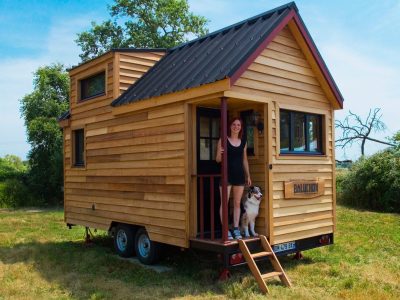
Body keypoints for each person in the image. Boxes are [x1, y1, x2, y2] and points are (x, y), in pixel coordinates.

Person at [216, 117, 251, 240]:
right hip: (226, 176)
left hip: (239, 175)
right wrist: (220, 153)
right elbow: (217, 160)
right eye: (234, 124)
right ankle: (226, 230)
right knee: (224, 203)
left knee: (237, 203)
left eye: (239, 125)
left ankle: (235, 229)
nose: (236, 127)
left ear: (241, 128)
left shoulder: (243, 142)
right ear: (230, 126)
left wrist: (248, 175)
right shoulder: (223, 140)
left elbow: (244, 160)